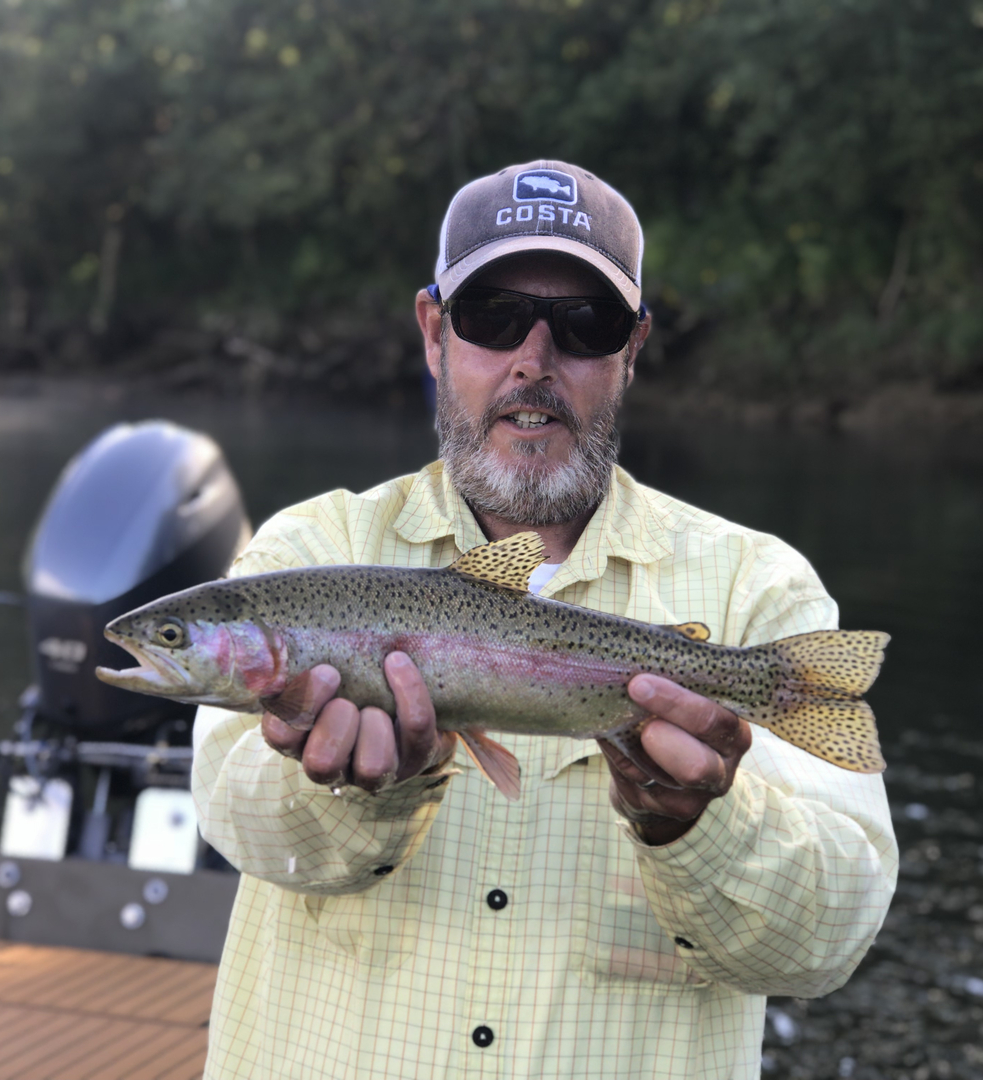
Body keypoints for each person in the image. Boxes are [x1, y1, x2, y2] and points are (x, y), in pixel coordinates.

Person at [191, 159, 898, 1079]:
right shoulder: (310, 547)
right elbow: (231, 812)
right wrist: (347, 791)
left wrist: (696, 826)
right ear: (434, 333)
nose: (535, 359)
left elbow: (830, 941)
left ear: (633, 348)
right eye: (493, 319)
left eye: (584, 325)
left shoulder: (759, 588)